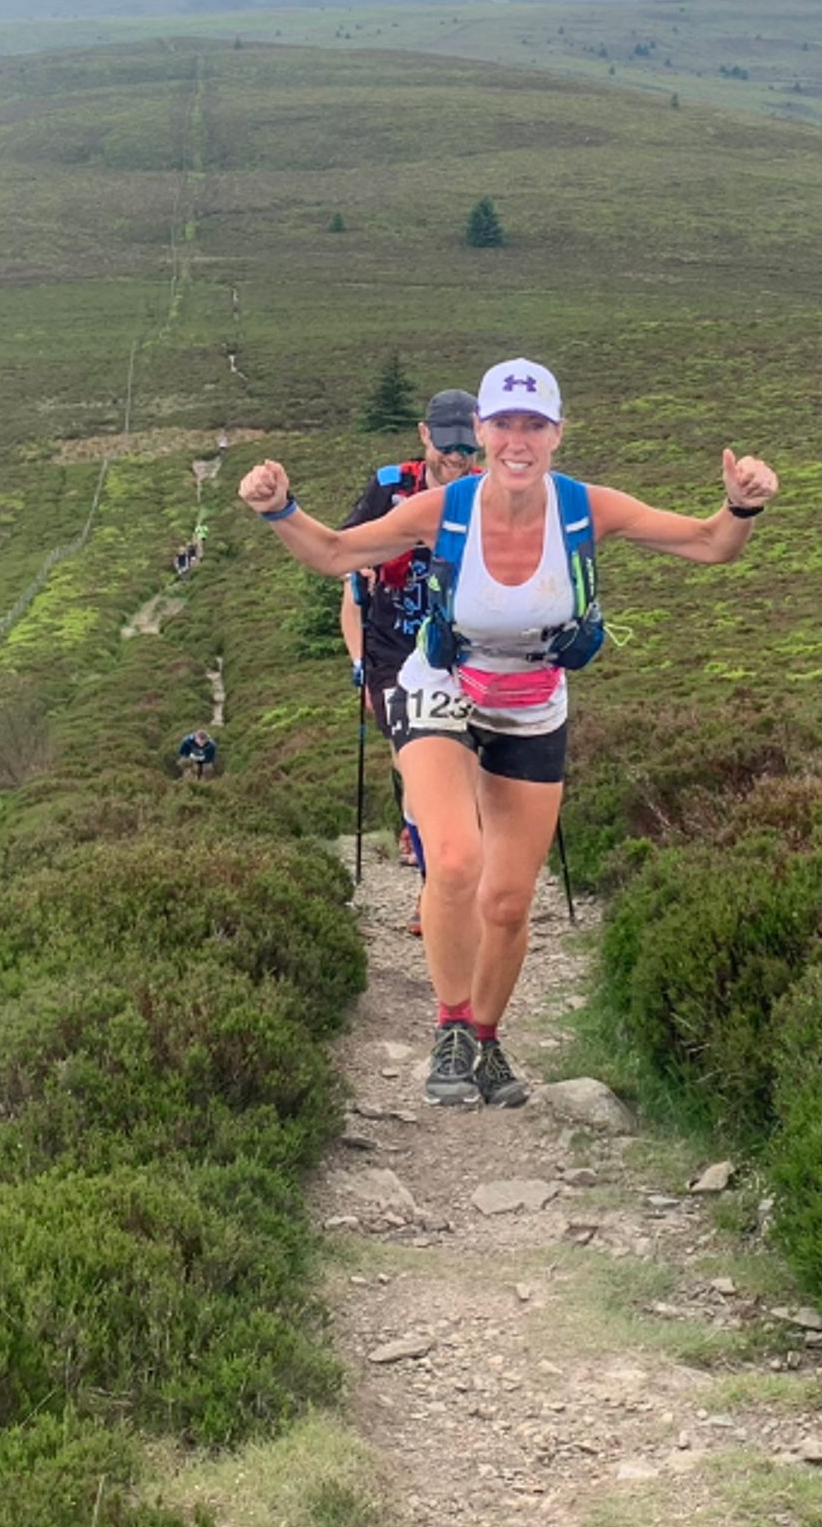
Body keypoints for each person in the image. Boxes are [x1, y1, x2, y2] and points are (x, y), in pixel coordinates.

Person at [240, 358, 776, 1110]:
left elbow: (709, 543)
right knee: (455, 860)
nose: (517, 441)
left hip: (532, 703)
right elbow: (337, 552)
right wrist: (279, 507)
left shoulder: (587, 506)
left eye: (534, 425)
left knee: (509, 902)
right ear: (483, 432)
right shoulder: (445, 508)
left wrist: (741, 506)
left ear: (557, 433)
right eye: (503, 425)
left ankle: (487, 1042)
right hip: (440, 687)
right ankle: (452, 1027)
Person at [339, 388, 481, 924]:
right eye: (448, 444)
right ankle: (434, 890)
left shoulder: (490, 491)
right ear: (425, 435)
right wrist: (364, 565)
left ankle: (457, 872)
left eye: (468, 446)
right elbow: (344, 554)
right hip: (395, 652)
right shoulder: (389, 487)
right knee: (415, 768)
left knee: (465, 771)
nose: (458, 457)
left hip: (469, 651)